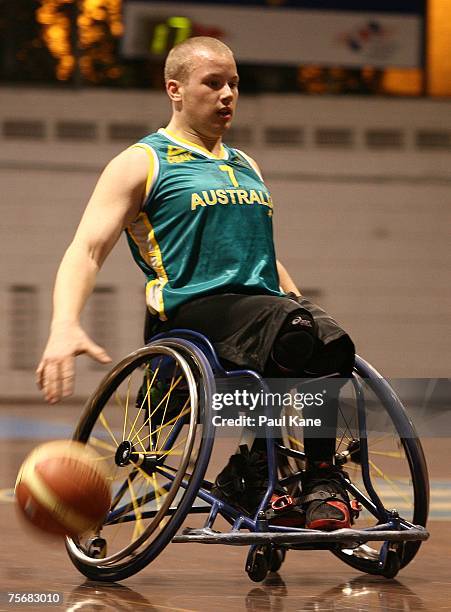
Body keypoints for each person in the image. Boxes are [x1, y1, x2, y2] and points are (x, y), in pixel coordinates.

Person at [36, 37, 355, 530]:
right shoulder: (143, 162)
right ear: (175, 89)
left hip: (263, 311)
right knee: (292, 328)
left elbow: (263, 255)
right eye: (213, 83)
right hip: (192, 314)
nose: (228, 94)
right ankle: (254, 471)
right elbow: (87, 248)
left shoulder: (246, 165)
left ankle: (316, 477)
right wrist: (63, 325)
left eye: (234, 84)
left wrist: (301, 304)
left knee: (330, 340)